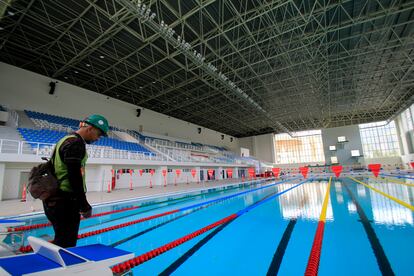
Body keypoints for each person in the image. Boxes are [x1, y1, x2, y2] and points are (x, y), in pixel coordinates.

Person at [42, 114, 109, 248]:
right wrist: (84, 205)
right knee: (67, 244)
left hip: (54, 200)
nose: (98, 138)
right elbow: (74, 177)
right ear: (90, 128)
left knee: (61, 240)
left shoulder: (66, 139)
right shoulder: (75, 144)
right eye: (99, 134)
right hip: (64, 202)